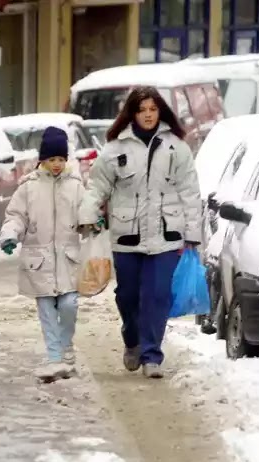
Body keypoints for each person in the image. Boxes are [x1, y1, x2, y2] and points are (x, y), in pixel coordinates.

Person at [79, 86, 202, 379]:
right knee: (128, 296)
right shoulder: (115, 149)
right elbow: (98, 187)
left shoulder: (177, 147)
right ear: (132, 114)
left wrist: (193, 233)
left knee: (157, 295)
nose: (148, 115)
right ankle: (132, 338)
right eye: (142, 110)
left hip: (167, 236)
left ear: (160, 112)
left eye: (153, 110)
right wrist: (87, 215)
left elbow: (190, 192)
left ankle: (152, 356)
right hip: (127, 236)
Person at [0, 127, 85, 382]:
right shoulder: (29, 187)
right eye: (51, 159)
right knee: (47, 310)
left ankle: (66, 345)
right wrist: (10, 235)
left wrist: (92, 222)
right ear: (42, 160)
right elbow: (15, 216)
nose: (56, 164)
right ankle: (55, 358)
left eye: (60, 159)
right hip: (39, 261)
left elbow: (85, 213)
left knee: (69, 305)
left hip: (68, 259)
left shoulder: (76, 186)